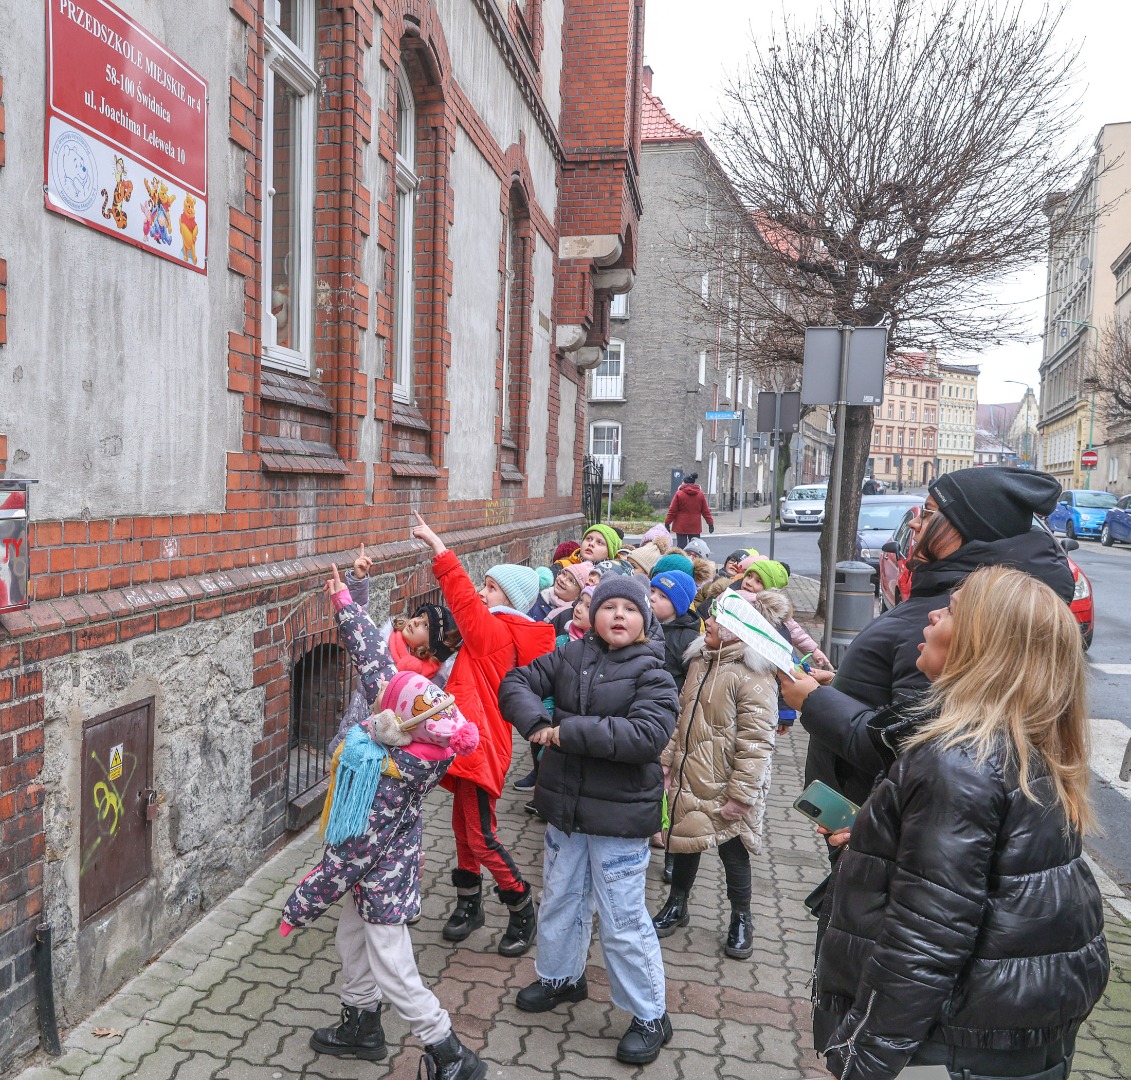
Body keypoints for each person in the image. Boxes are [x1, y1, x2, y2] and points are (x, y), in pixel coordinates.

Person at [813, 566, 1109, 1080]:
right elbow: (986, 872)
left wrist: (866, 1057)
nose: (930, 613)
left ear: (983, 645)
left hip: (943, 1047)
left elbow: (925, 936)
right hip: (1007, 1035)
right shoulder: (1023, 745)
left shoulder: (957, 761)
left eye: (951, 610)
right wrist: (887, 835)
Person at [280, 566, 487, 1080]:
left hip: (380, 877)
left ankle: (449, 1052)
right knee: (350, 941)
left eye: (383, 699)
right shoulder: (408, 726)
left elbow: (346, 856)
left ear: (395, 720)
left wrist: (297, 907)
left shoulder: (392, 772)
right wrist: (346, 601)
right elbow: (374, 657)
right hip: (374, 875)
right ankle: (361, 1025)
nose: (377, 695)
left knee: (394, 967)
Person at [796, 467, 1074, 811]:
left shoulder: (962, 615)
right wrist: (842, 685)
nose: (914, 523)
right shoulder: (948, 594)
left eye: (929, 513)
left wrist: (814, 701)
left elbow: (914, 744)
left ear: (965, 529)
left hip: (883, 827)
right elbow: (914, 705)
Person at [498, 575, 679, 1065]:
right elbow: (515, 681)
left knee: (621, 920)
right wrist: (535, 723)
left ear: (644, 620)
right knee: (560, 898)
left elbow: (645, 735)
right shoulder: (570, 655)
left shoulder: (655, 672)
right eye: (608, 606)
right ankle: (561, 978)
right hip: (564, 812)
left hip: (619, 821)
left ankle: (649, 1013)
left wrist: (565, 732)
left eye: (630, 608)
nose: (618, 615)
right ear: (593, 614)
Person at [410, 512, 556, 956]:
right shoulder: (494, 632)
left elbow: (461, 600)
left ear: (507, 597)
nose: (481, 591)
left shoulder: (494, 631)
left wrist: (437, 543)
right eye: (485, 584)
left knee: (482, 836)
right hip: (471, 744)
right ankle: (468, 903)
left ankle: (519, 904)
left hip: (481, 747)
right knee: (462, 828)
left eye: (490, 586)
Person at [653, 590, 779, 961]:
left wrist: (742, 795)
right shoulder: (699, 662)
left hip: (728, 782)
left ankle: (742, 917)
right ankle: (677, 903)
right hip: (692, 772)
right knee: (685, 840)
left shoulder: (754, 675)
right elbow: (682, 716)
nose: (708, 622)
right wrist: (667, 759)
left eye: (718, 619)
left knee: (733, 853)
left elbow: (757, 741)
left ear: (739, 630)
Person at [665, 473, 715, 547]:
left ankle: (683, 558)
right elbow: (705, 511)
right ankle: (694, 559)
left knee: (681, 548)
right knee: (695, 548)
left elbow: (672, 511)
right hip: (695, 526)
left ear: (684, 482)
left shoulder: (679, 494)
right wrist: (710, 524)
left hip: (681, 526)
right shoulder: (700, 494)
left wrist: (667, 523)